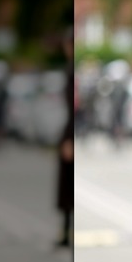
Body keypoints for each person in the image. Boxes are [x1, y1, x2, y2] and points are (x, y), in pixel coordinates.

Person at [55, 28, 74, 248]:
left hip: (71, 132)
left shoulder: (72, 71)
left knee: (68, 186)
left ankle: (66, 233)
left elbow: (73, 108)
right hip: (70, 130)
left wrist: (69, 137)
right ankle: (65, 231)